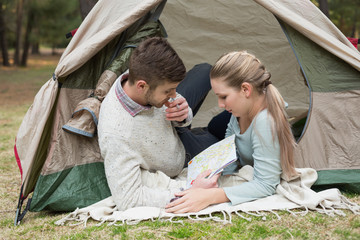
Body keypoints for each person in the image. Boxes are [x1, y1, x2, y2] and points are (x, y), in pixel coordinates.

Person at [165, 51, 298, 213]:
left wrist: (209, 196)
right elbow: (228, 148)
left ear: (245, 90)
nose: (220, 105)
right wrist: (218, 178)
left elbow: (266, 185)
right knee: (203, 71)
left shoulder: (265, 122)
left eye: (223, 97)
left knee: (181, 136)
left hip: (203, 140)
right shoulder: (241, 110)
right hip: (211, 138)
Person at [97, 37, 219, 211]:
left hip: (176, 134)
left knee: (205, 71)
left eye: (175, 89)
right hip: (184, 157)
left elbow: (177, 104)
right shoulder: (117, 133)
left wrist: (184, 115)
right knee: (232, 142)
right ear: (142, 86)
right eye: (168, 91)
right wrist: (190, 190)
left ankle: (206, 130)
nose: (174, 95)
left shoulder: (140, 74)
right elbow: (129, 200)